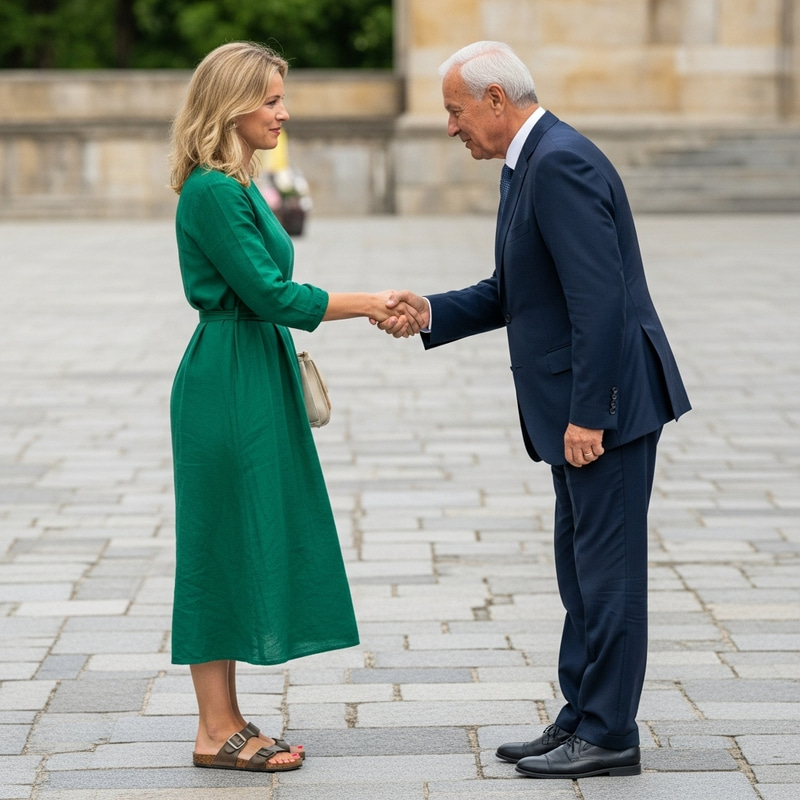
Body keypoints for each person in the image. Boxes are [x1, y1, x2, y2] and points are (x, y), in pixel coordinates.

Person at [379, 41, 691, 779]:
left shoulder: (559, 163)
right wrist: (430, 311)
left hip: (603, 410)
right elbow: (514, 289)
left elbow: (599, 298)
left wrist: (591, 414)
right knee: (580, 572)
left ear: (495, 101)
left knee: (607, 577)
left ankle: (610, 734)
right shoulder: (530, 163)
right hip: (574, 410)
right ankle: (582, 714)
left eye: (455, 111)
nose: (451, 127)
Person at [168, 41, 421, 773]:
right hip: (228, 379)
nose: (284, 112)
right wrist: (372, 302)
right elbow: (271, 295)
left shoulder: (238, 183)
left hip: (252, 369)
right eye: (271, 99)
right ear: (231, 104)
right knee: (217, 544)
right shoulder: (214, 191)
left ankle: (228, 718)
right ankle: (213, 729)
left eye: (283, 97)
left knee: (243, 536)